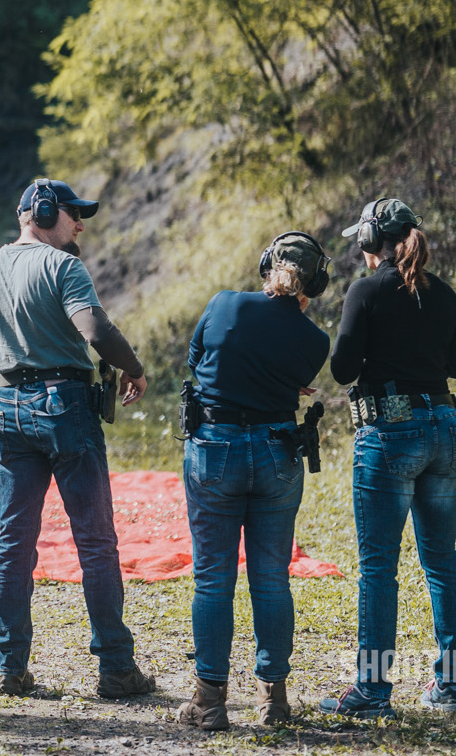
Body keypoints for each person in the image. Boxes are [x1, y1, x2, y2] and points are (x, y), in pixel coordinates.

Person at [0, 178, 157, 701]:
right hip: (65, 408)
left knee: (14, 541)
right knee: (96, 542)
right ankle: (117, 670)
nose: (80, 225)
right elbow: (95, 331)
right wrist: (135, 370)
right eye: (74, 215)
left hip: (7, 410)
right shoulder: (64, 267)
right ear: (45, 212)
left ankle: (10, 669)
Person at [319, 198, 456, 719]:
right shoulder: (444, 293)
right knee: (441, 563)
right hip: (444, 429)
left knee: (379, 569)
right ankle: (450, 691)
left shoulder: (365, 290)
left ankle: (371, 692)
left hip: (391, 433)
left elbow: (342, 371)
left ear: (371, 240)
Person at [173, 232, 334, 731]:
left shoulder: (224, 304)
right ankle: (275, 700)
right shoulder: (315, 340)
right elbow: (291, 380)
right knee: (271, 578)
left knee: (213, 579)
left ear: (266, 265)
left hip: (215, 446)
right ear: (316, 283)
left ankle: (210, 701)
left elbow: (198, 363)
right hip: (276, 450)